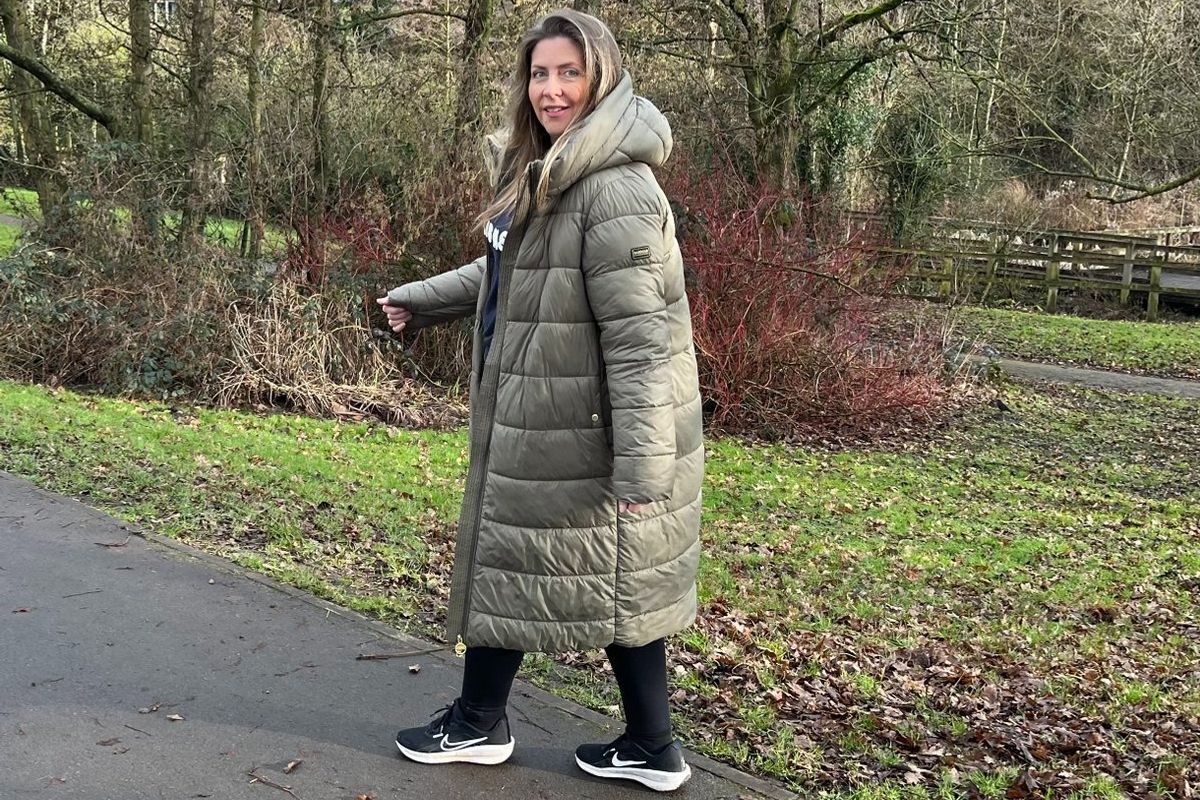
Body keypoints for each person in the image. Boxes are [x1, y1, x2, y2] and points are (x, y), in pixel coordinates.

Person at [375, 8, 703, 793]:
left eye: (569, 72)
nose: (551, 89)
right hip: (543, 422)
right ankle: (630, 743)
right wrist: (420, 300)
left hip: (582, 435)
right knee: (567, 573)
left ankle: (496, 724)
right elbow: (510, 278)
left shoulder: (615, 189)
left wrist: (642, 474)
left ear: (602, 77)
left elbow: (641, 342)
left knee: (589, 576)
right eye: (539, 73)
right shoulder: (550, 170)